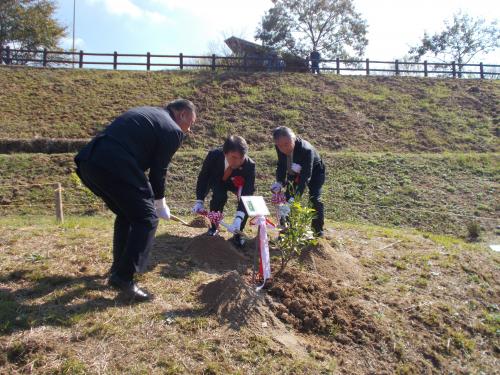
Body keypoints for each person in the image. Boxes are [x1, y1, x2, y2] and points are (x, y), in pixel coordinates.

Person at [74, 99, 196, 301]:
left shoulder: (150, 114)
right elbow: (158, 172)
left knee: (127, 214)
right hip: (116, 163)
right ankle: (123, 277)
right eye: (190, 123)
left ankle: (118, 267)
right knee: (147, 218)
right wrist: (159, 202)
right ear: (182, 114)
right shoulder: (172, 129)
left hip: (90, 161)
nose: (189, 130)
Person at [192, 135, 255, 248]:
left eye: (241, 157)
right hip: (218, 180)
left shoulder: (249, 165)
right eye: (234, 157)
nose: (238, 161)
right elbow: (203, 177)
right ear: (225, 153)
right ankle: (213, 227)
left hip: (237, 185)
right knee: (219, 197)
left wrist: (239, 217)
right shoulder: (213, 156)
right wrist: (199, 200)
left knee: (244, 201)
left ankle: (238, 232)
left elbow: (247, 193)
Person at [271, 126, 326, 237]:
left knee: (315, 199)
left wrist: (295, 197)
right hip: (295, 172)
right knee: (286, 200)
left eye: (286, 144)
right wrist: (280, 182)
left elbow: (306, 177)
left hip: (314, 172)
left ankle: (317, 232)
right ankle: (286, 231)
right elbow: (281, 165)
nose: (284, 148)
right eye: (280, 146)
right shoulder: (279, 147)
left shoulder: (306, 150)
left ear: (294, 138)